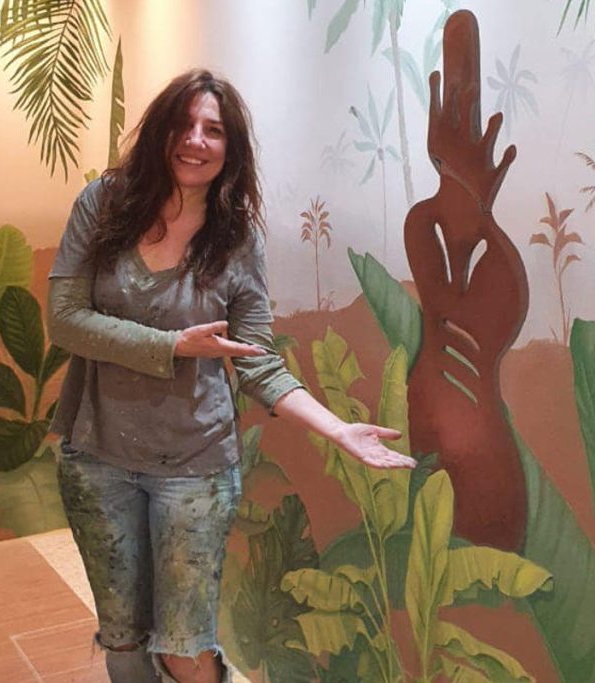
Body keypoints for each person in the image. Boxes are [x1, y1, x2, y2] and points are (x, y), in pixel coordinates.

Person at [46, 69, 415, 683]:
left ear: (231, 149)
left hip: (196, 465)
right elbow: (64, 320)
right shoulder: (104, 203)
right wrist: (173, 346)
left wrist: (338, 429)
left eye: (213, 130)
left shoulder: (236, 238)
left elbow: (257, 361)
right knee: (124, 640)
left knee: (184, 647)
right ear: (160, 131)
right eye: (184, 124)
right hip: (98, 457)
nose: (196, 140)